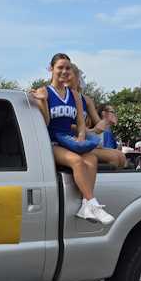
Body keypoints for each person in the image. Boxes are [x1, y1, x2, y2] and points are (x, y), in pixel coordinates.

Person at [30, 53, 113, 224]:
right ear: (51, 69)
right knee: (76, 161)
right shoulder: (43, 91)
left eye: (67, 68)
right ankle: (93, 203)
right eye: (60, 67)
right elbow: (45, 122)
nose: (64, 71)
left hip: (69, 140)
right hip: (51, 143)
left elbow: (80, 123)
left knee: (91, 158)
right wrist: (43, 102)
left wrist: (81, 137)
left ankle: (85, 206)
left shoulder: (74, 94)